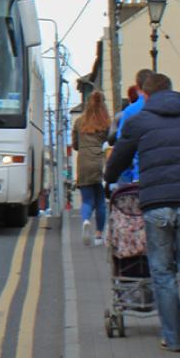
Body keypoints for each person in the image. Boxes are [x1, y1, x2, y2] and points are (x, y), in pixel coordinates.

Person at [104, 72, 180, 355]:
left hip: (157, 204)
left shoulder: (139, 121)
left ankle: (174, 339)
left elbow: (119, 158)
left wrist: (109, 179)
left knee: (163, 273)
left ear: (145, 96)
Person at [72, 91, 111, 247]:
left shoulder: (80, 122)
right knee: (100, 201)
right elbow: (112, 140)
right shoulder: (106, 123)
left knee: (87, 200)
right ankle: (98, 235)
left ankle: (86, 220)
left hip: (83, 162)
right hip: (99, 162)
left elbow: (75, 145)